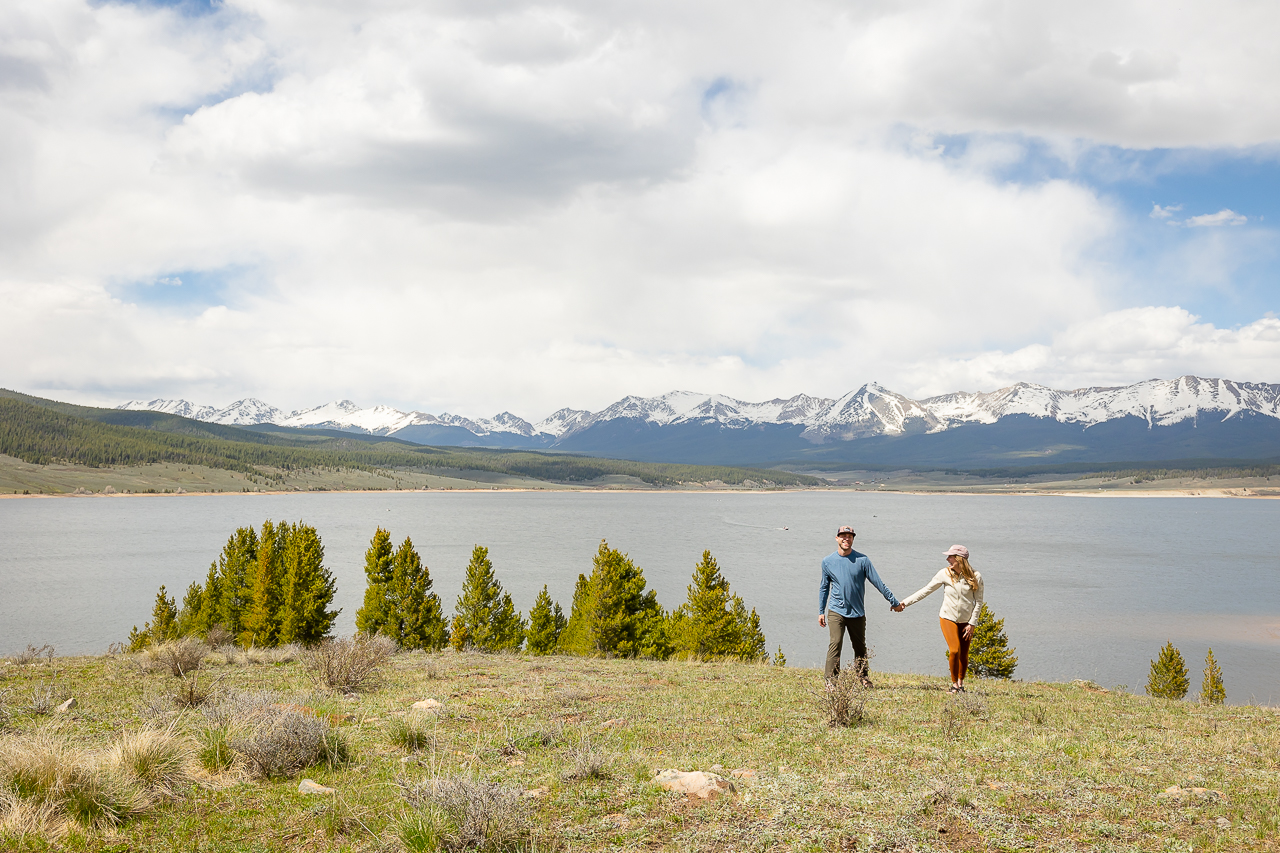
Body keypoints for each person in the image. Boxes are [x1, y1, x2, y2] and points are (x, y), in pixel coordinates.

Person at [818, 525, 900, 688]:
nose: (846, 539)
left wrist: (894, 601)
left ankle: (863, 677)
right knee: (836, 643)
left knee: (860, 647)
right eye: (843, 536)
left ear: (853, 539)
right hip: (836, 611)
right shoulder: (828, 562)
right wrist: (821, 611)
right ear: (837, 538)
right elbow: (824, 587)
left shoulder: (863, 560)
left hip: (857, 613)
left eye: (850, 536)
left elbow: (878, 582)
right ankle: (831, 681)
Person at [896, 544, 984, 693]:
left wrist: (972, 623)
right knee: (954, 650)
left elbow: (979, 602)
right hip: (947, 617)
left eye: (950, 556)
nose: (947, 559)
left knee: (964, 653)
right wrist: (905, 603)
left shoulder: (976, 576)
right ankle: (954, 684)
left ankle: (961, 684)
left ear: (959, 559)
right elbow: (926, 590)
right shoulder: (944, 574)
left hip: (966, 621)